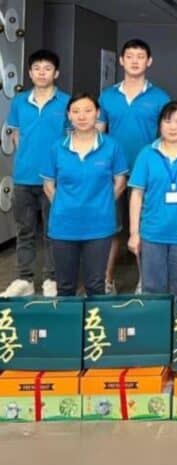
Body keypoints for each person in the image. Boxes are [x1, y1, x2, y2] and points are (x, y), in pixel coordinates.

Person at [98, 39, 171, 294]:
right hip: (113, 173)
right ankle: (106, 281)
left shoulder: (160, 97)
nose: (135, 60)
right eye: (130, 56)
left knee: (145, 230)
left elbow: (167, 137)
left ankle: (145, 282)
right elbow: (99, 136)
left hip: (148, 174)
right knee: (111, 228)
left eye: (141, 56)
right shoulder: (107, 96)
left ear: (149, 61)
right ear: (121, 60)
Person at [40, 93, 128, 296]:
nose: (82, 116)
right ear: (68, 115)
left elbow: (120, 183)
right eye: (76, 111)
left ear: (97, 113)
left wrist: (102, 204)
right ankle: (66, 327)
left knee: (96, 284)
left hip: (99, 225)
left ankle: (93, 327)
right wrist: (63, 205)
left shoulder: (112, 146)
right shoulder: (57, 148)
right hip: (63, 226)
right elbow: (48, 185)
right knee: (65, 286)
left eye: (88, 110)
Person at [1, 49, 70, 298]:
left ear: (56, 73)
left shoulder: (66, 102)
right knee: (25, 230)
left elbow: (69, 139)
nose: (42, 73)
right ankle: (25, 279)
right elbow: (17, 136)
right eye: (37, 68)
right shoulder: (19, 102)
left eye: (47, 68)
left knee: (53, 231)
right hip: (23, 178)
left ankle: (52, 278)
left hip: (54, 179)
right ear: (30, 73)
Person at [127, 101, 177, 297]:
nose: (173, 127)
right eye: (168, 121)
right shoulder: (147, 154)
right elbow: (136, 195)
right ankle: (155, 328)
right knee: (152, 291)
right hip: (152, 234)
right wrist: (134, 233)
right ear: (160, 124)